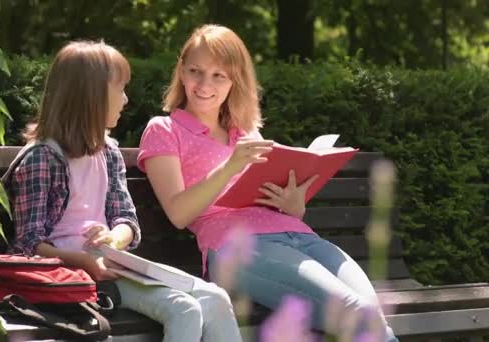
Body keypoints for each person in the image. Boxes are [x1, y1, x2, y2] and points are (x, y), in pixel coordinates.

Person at [138, 24, 399, 341]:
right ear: (181, 71)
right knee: (356, 315)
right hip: (239, 247)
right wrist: (229, 166)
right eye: (195, 71)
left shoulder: (246, 132)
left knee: (370, 318)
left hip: (301, 238)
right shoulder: (164, 129)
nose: (205, 84)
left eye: (219, 75)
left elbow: (267, 198)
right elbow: (179, 213)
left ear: (235, 80)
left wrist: (293, 205)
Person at [2, 40, 241, 342]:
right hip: (74, 276)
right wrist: (86, 261)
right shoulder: (42, 158)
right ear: (92, 96)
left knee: (216, 298)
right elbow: (27, 246)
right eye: (120, 89)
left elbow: (126, 219)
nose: (126, 100)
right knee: (185, 309)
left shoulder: (108, 152)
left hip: (113, 263)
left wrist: (114, 238)